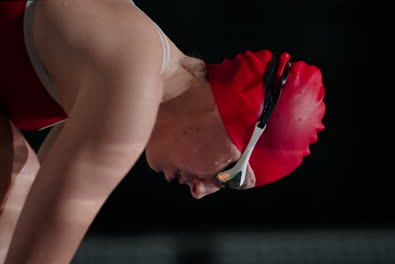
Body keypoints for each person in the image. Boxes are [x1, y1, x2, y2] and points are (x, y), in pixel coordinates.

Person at [0, 0, 326, 263]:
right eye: (233, 176)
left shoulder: (129, 66)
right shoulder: (132, 89)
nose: (201, 191)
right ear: (227, 111)